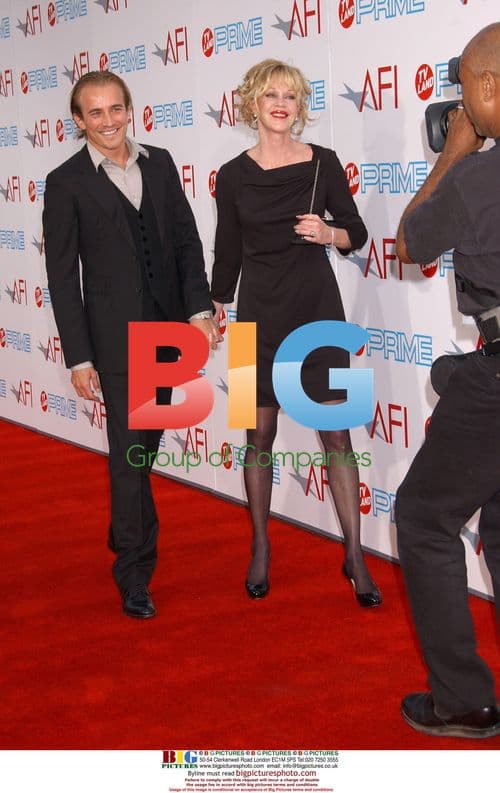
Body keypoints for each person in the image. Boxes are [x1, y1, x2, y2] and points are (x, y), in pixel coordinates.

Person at [43, 71, 221, 619]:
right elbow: (62, 276)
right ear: (79, 121)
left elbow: (187, 242)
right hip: (114, 339)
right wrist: (80, 356)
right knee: (128, 453)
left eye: (116, 109)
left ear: (129, 109)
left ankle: (125, 527)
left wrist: (199, 310)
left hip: (167, 333)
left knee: (146, 445)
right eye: (95, 113)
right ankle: (135, 571)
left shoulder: (160, 163)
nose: (109, 121)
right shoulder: (66, 181)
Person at [211, 59, 380, 606]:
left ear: (300, 106)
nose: (281, 104)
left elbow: (356, 231)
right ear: (252, 104)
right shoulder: (231, 175)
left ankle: (355, 554)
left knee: (338, 436)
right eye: (270, 95)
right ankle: (261, 545)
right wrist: (214, 304)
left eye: (290, 96)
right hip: (255, 316)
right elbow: (227, 249)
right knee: (257, 436)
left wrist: (329, 233)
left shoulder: (323, 163)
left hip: (317, 311)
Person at [395, 24, 500, 738]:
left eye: (465, 89)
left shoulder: (474, 177)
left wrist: (455, 152)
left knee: (424, 517)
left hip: (495, 381)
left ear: (488, 86)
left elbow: (411, 242)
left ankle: (461, 698)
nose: (462, 104)